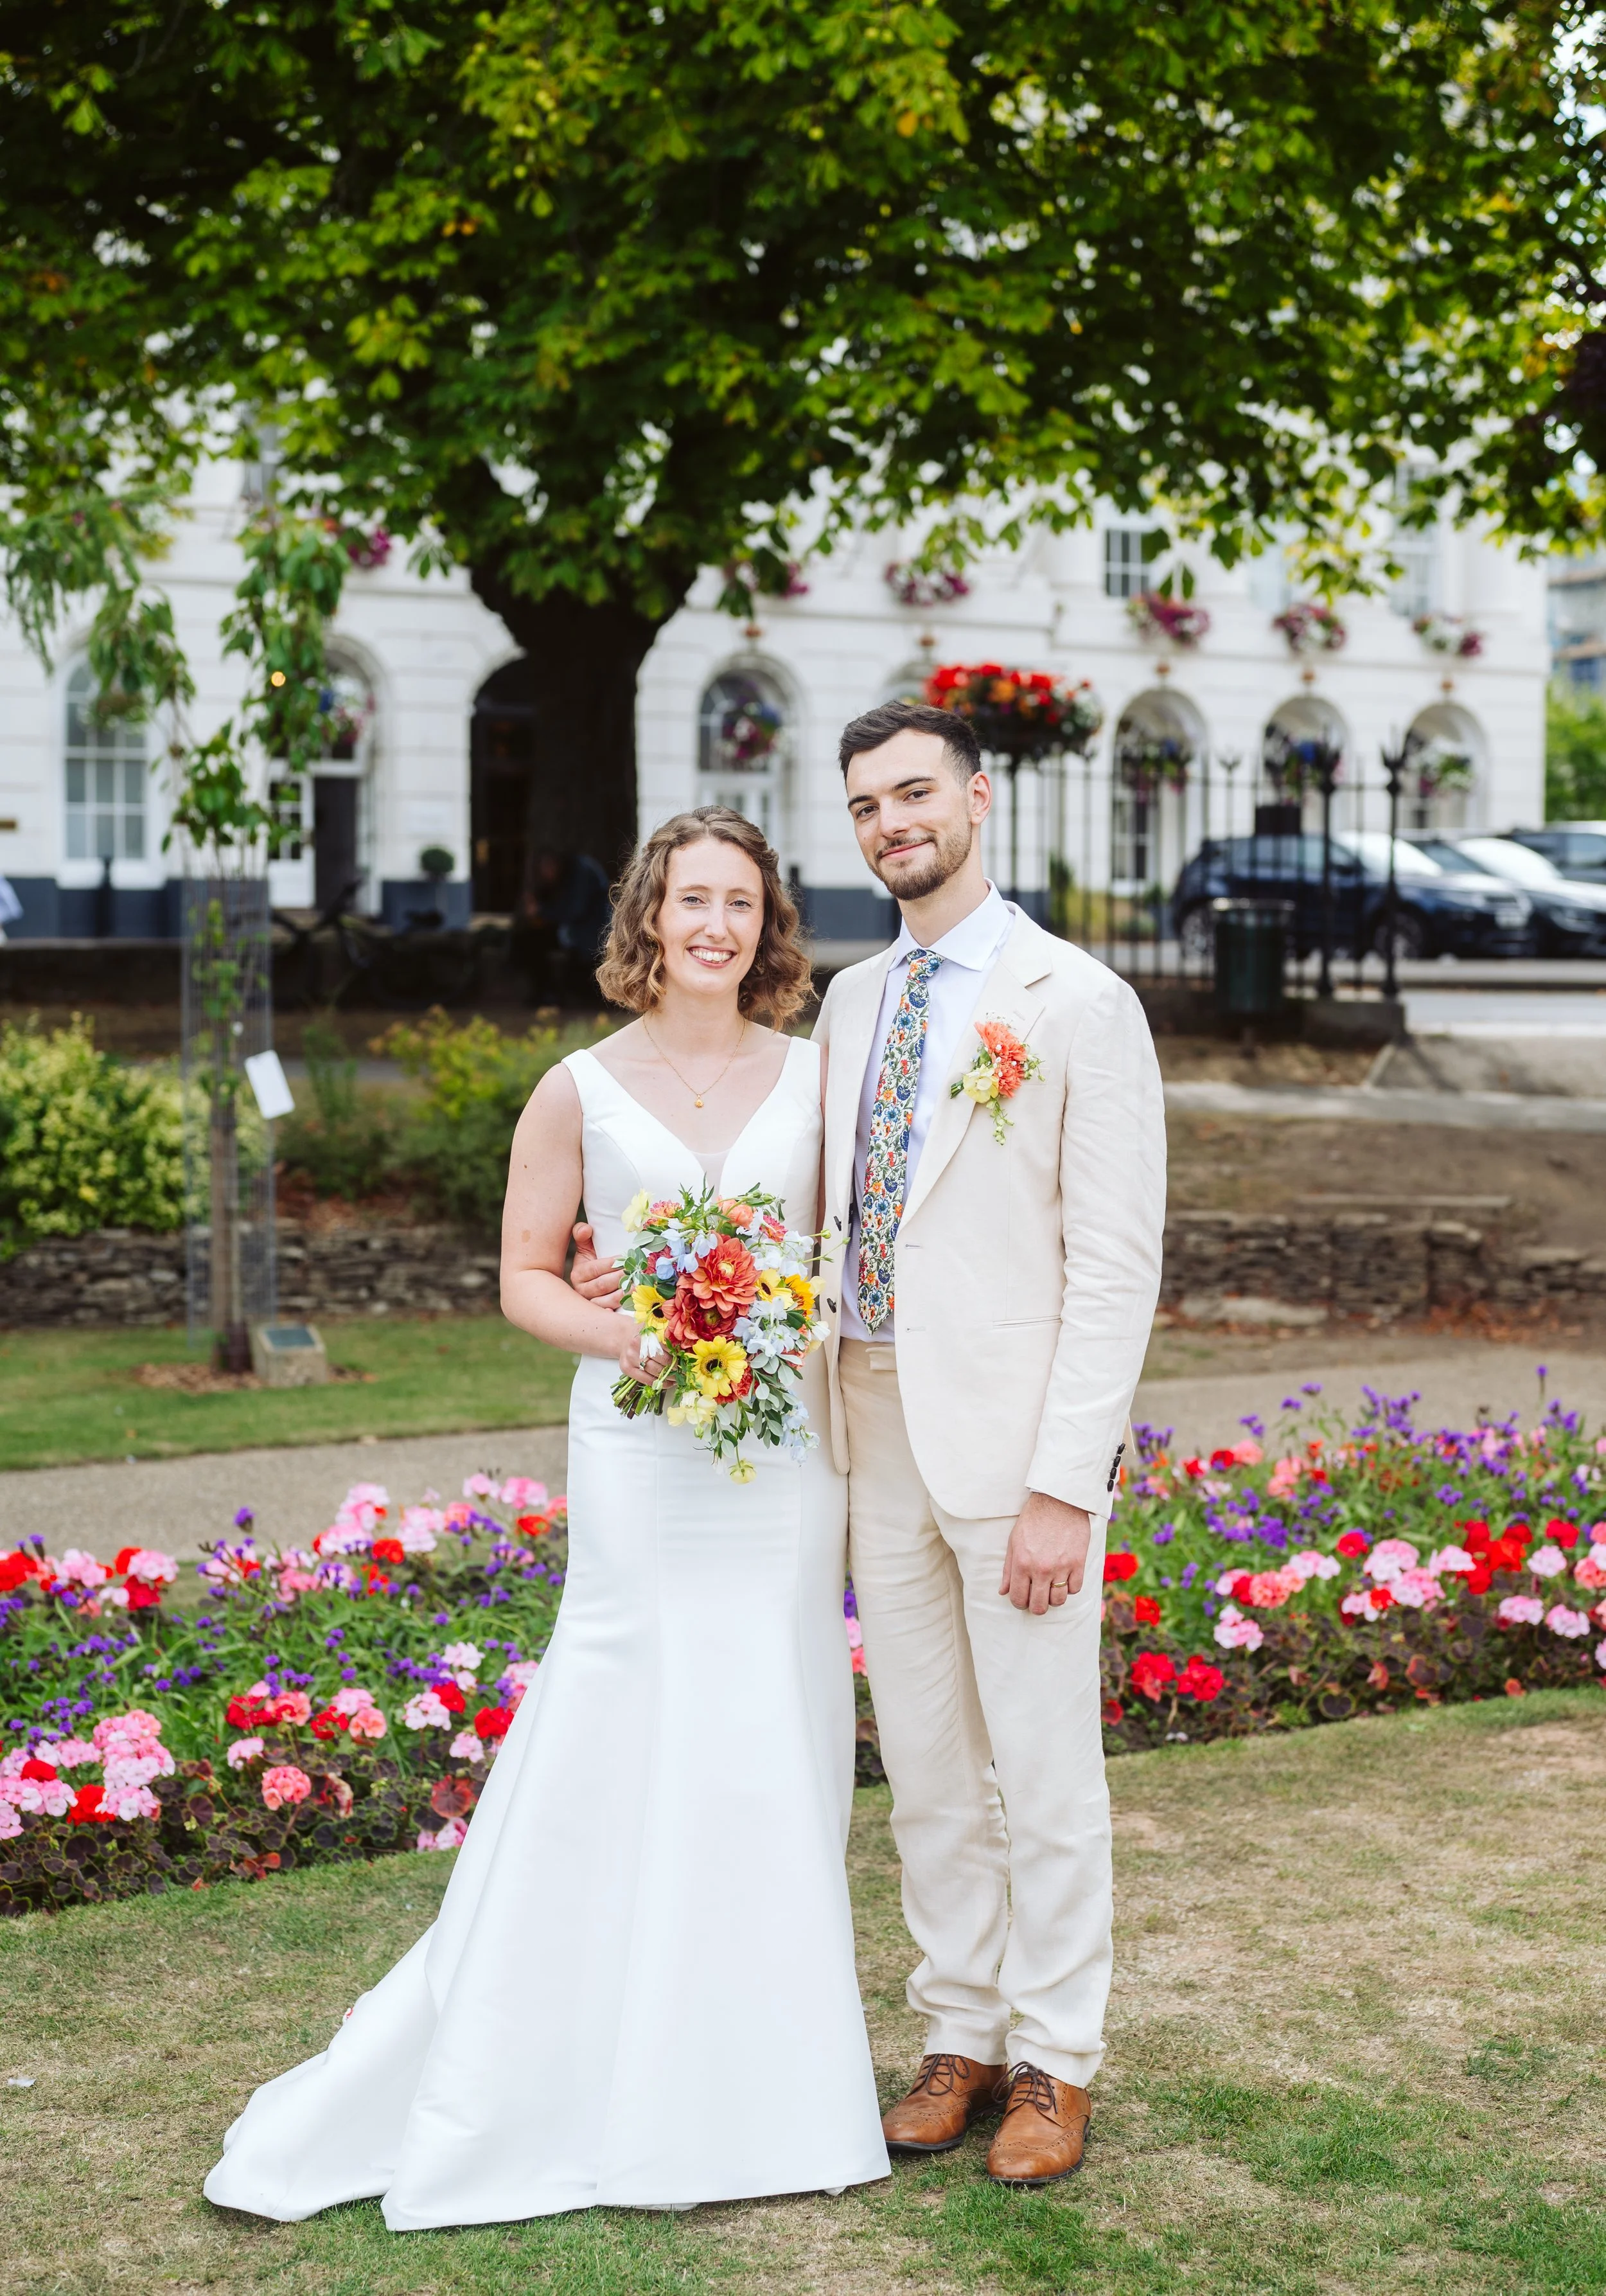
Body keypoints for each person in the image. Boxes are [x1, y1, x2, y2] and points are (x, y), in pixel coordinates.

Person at [204, 806, 889, 2228]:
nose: (714, 925)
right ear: (647, 917)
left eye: (740, 905)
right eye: (690, 899)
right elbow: (523, 1277)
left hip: (776, 1461)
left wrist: (774, 1315)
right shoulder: (575, 1088)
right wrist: (638, 1335)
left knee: (773, 1714)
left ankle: (763, 2076)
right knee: (621, 1708)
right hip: (640, 1448)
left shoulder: (825, 1079)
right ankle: (554, 2049)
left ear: (768, 929)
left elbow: (841, 1263)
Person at [570, 702, 1167, 2184]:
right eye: (865, 804)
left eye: (915, 793)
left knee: (1042, 1767)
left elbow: (1112, 1265)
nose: (892, 821)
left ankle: (1052, 2061)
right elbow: (793, 1227)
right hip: (865, 1430)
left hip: (1012, 1445)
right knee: (924, 1765)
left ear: (974, 797)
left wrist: (1062, 1485)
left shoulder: (1075, 1001)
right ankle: (955, 2036)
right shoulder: (845, 1005)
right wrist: (626, 1281)